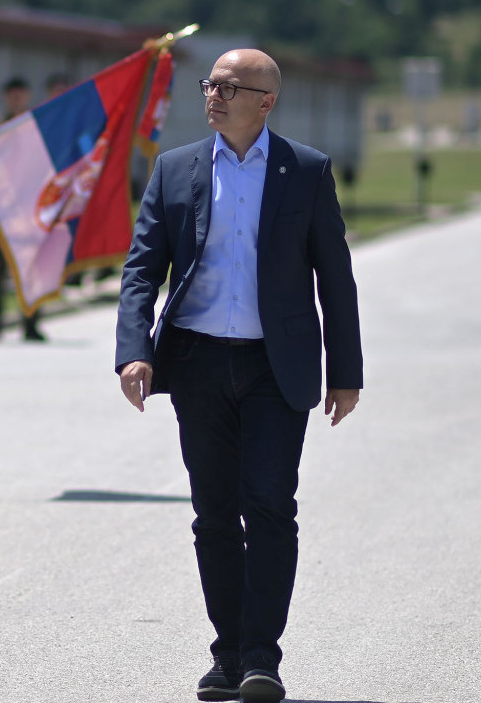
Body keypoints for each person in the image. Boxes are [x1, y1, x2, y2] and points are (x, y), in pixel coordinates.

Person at [115, 49, 362, 703]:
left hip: (275, 367)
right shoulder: (175, 169)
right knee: (215, 514)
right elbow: (142, 269)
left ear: (266, 102)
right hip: (197, 363)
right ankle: (228, 655)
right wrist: (135, 349)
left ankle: (261, 657)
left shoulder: (306, 171)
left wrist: (346, 373)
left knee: (271, 506)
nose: (214, 95)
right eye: (211, 85)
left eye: (229, 87)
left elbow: (335, 278)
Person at [0, 76, 43, 341]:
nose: (16, 100)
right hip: (0, 209)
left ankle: (31, 324)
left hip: (29, 209)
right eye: (12, 96)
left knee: (31, 269)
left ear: (27, 96)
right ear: (5, 98)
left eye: (20, 95)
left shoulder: (36, 126)